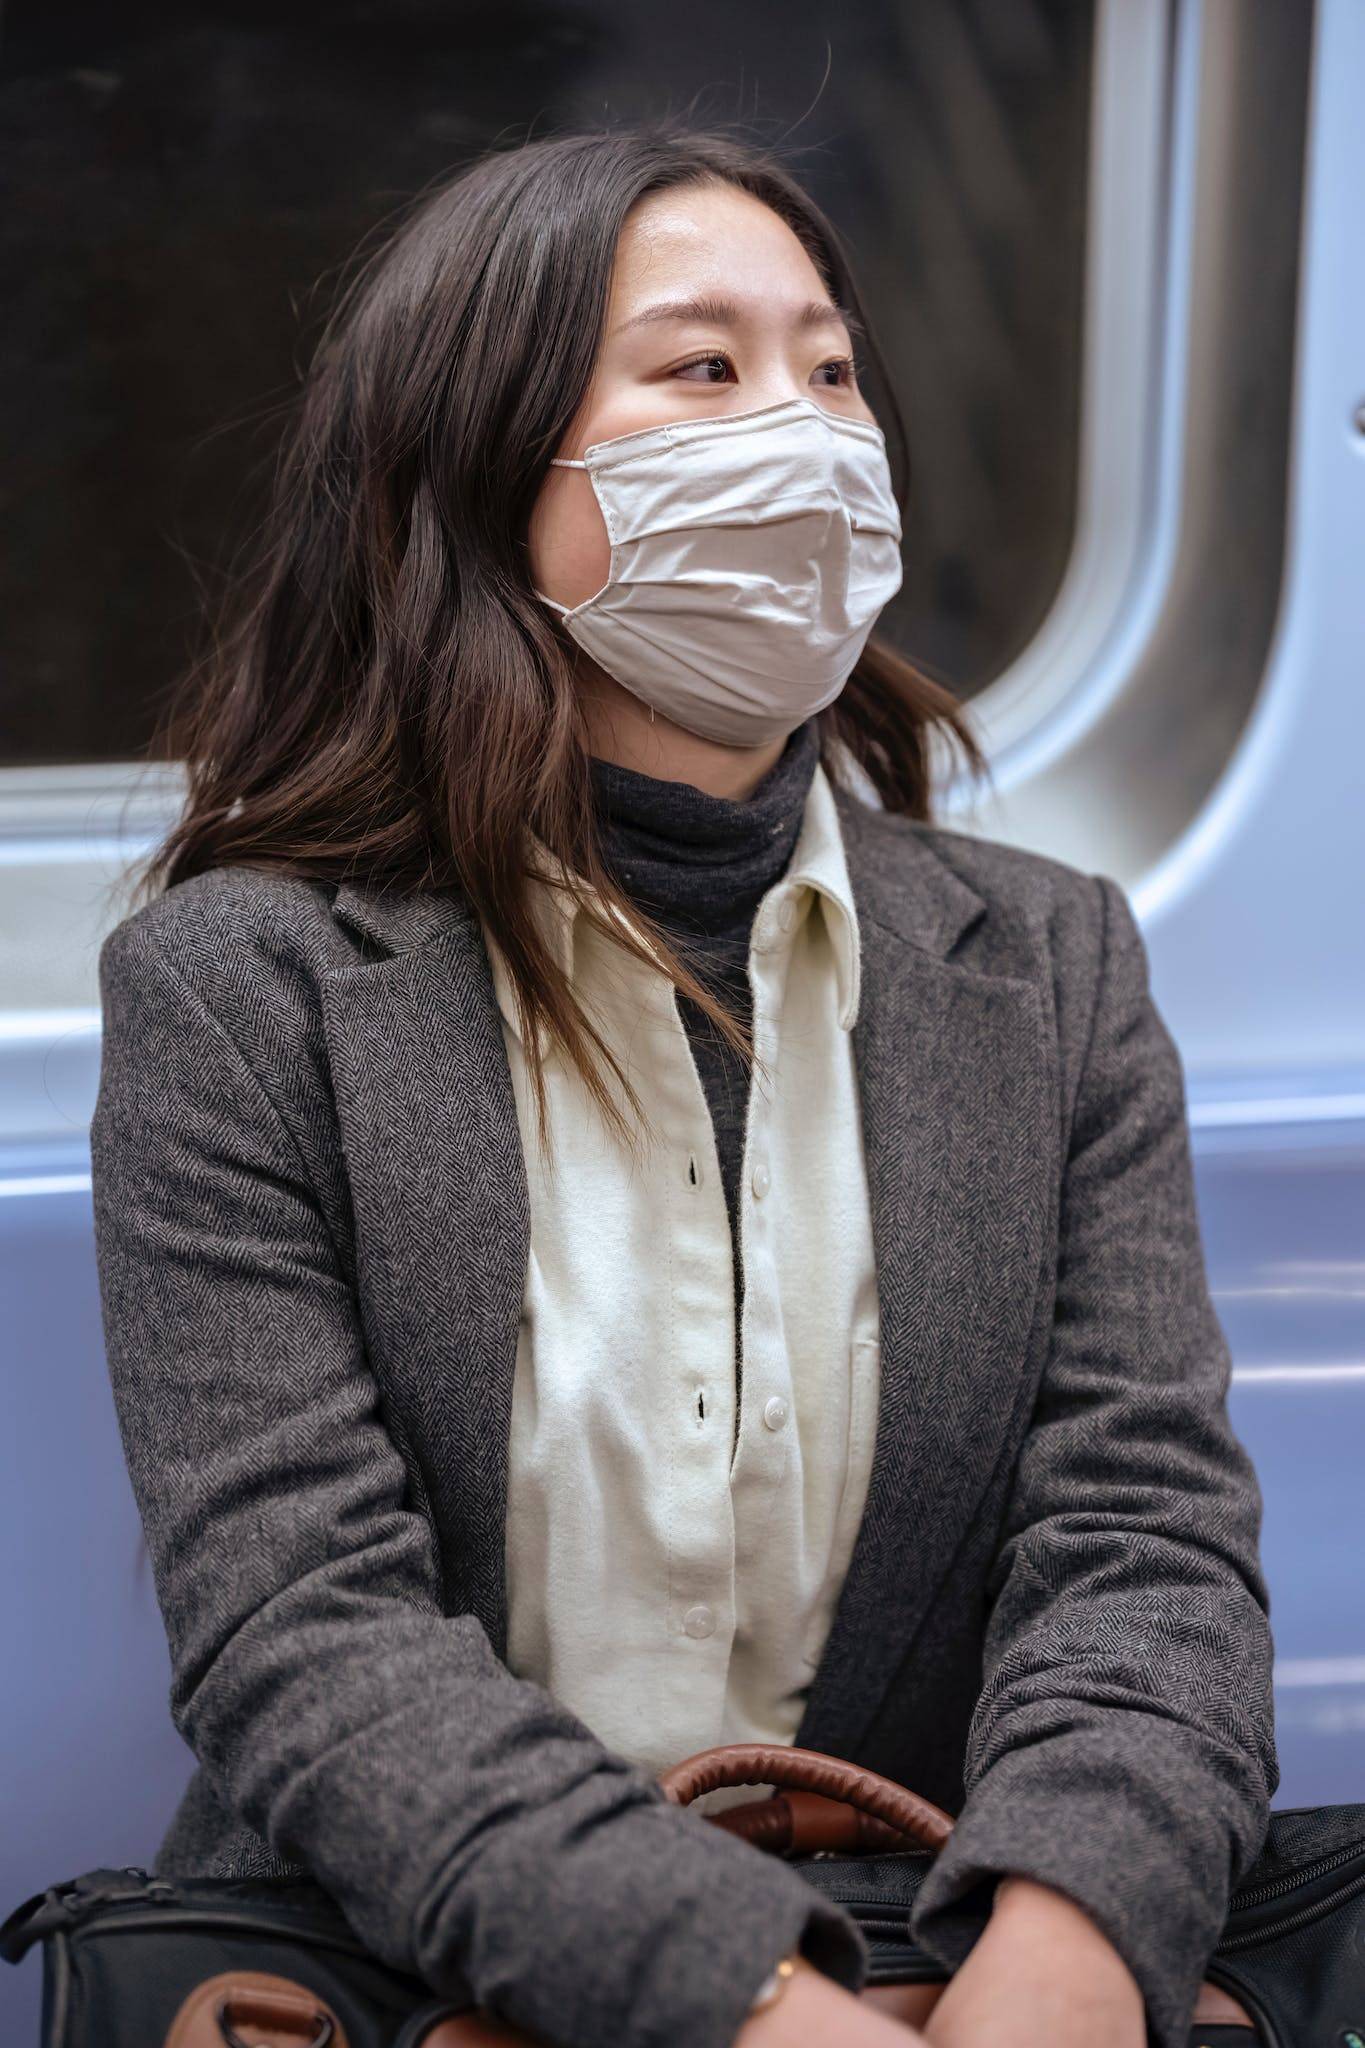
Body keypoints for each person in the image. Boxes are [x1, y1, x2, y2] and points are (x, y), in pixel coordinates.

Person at [89, 121, 1277, 2048]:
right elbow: (303, 1632)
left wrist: (1059, 1959)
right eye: (701, 370)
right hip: (433, 1976)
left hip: (945, 1949)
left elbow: (1140, 1537)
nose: (802, 432)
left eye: (828, 369)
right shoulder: (245, 991)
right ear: (485, 471)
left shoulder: (1047, 962)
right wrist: (740, 2004)